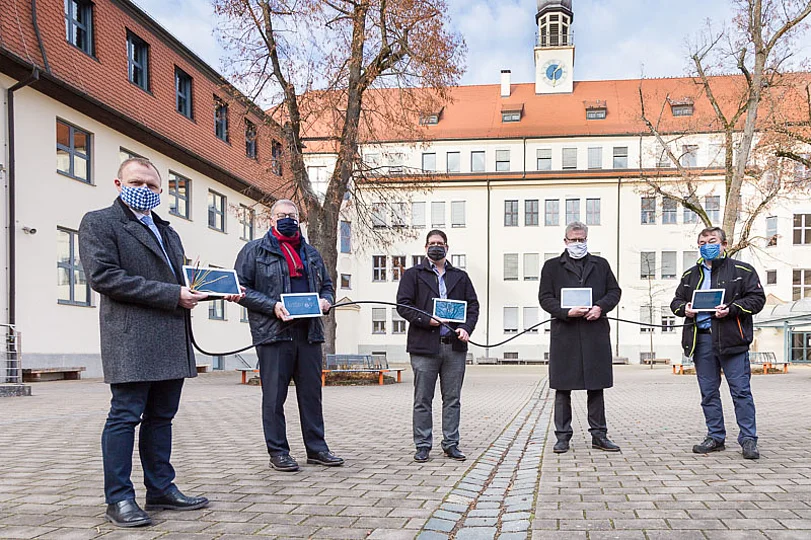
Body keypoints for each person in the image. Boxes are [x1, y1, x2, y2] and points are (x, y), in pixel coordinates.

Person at [78, 158, 210, 528]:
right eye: (137, 181)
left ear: (161, 191)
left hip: (170, 335)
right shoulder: (100, 222)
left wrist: (209, 290)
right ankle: (119, 499)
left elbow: (180, 280)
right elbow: (105, 277)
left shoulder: (168, 231)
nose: (145, 189)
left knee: (161, 418)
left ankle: (161, 488)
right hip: (132, 338)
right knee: (124, 417)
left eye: (153, 185)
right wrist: (173, 294)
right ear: (118, 183)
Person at [234, 199, 343, 472]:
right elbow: (241, 289)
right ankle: (278, 452)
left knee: (311, 395)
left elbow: (327, 286)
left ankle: (317, 449)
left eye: (292, 216)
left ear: (299, 220)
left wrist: (326, 301)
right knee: (274, 397)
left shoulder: (312, 254)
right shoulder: (254, 251)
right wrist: (272, 306)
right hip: (273, 334)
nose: (287, 219)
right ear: (271, 220)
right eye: (281, 215)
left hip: (308, 333)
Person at [670, 227, 765, 459]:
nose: (706, 245)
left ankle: (749, 439)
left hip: (732, 339)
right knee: (709, 393)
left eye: (712, 241)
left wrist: (732, 310)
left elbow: (757, 299)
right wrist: (686, 310)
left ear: (724, 244)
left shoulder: (742, 270)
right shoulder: (689, 275)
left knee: (741, 392)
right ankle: (715, 436)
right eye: (702, 242)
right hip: (701, 340)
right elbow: (676, 302)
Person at [538, 221, 622, 454]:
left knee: (596, 386)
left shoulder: (601, 265)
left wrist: (600, 308)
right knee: (563, 387)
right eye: (573, 240)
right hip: (565, 333)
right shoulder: (552, 267)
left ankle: (599, 434)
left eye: (582, 239)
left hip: (594, 332)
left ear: (587, 239)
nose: (578, 243)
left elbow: (614, 292)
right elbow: (545, 298)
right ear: (565, 241)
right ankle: (562, 436)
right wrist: (566, 312)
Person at [396, 230, 480, 463]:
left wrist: (466, 328)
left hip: (454, 347)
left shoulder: (460, 277)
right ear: (425, 248)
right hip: (424, 347)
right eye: (432, 243)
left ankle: (451, 443)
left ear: (447, 247)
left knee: (452, 399)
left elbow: (472, 306)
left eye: (440, 244)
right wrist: (427, 319)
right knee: (423, 398)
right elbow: (403, 305)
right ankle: (423, 445)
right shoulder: (413, 275)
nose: (436, 247)